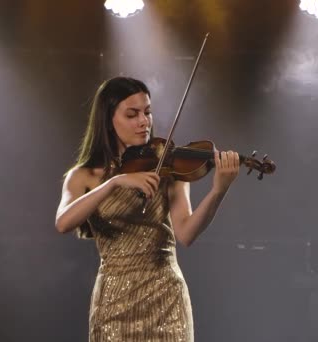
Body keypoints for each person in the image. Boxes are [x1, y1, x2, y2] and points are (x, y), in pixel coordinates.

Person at [55, 76, 240, 341]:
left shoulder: (166, 166)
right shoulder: (83, 176)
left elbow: (186, 233)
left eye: (147, 112)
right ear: (108, 120)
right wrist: (115, 182)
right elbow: (63, 222)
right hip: (113, 301)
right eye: (132, 114)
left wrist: (218, 191)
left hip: (166, 297)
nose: (144, 121)